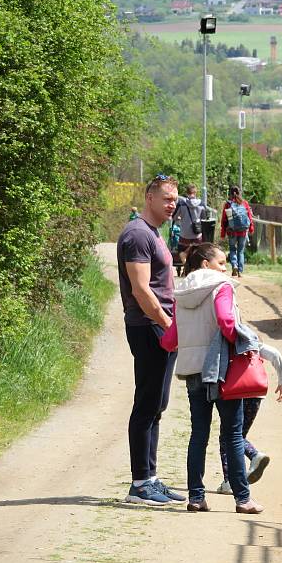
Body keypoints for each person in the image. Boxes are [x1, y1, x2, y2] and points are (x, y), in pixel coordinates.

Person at [159, 242, 266, 514]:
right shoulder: (221, 286)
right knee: (232, 434)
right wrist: (242, 341)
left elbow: (170, 340)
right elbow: (226, 321)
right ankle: (243, 499)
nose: (225, 268)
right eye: (221, 262)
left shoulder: (181, 293)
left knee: (198, 434)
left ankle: (196, 497)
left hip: (194, 370)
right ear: (205, 264)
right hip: (222, 369)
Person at [116, 174, 185, 506]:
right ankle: (139, 484)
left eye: (174, 199)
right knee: (146, 403)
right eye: (167, 198)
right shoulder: (137, 235)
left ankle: (151, 478)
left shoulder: (152, 233)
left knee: (157, 403)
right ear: (149, 198)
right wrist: (168, 324)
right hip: (148, 327)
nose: (172, 204)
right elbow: (142, 290)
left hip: (158, 326)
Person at [216, 342, 282, 494]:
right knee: (238, 435)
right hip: (255, 393)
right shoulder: (254, 342)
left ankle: (231, 478)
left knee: (228, 436)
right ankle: (243, 471)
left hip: (236, 391)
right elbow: (275, 354)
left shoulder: (229, 341)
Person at [220, 186, 254, 277]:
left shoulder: (228, 204)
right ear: (239, 193)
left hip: (232, 231)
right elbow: (250, 218)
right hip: (243, 231)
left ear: (230, 193)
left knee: (232, 249)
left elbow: (224, 220)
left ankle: (234, 265)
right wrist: (251, 229)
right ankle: (240, 271)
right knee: (240, 251)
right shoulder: (244, 203)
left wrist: (222, 233)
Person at [173, 184, 205, 262]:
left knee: (181, 251)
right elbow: (204, 219)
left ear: (187, 193)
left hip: (184, 234)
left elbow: (174, 217)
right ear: (195, 193)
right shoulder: (201, 204)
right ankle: (193, 267)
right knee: (197, 252)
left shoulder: (181, 203)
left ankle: (185, 263)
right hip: (197, 234)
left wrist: (179, 219)